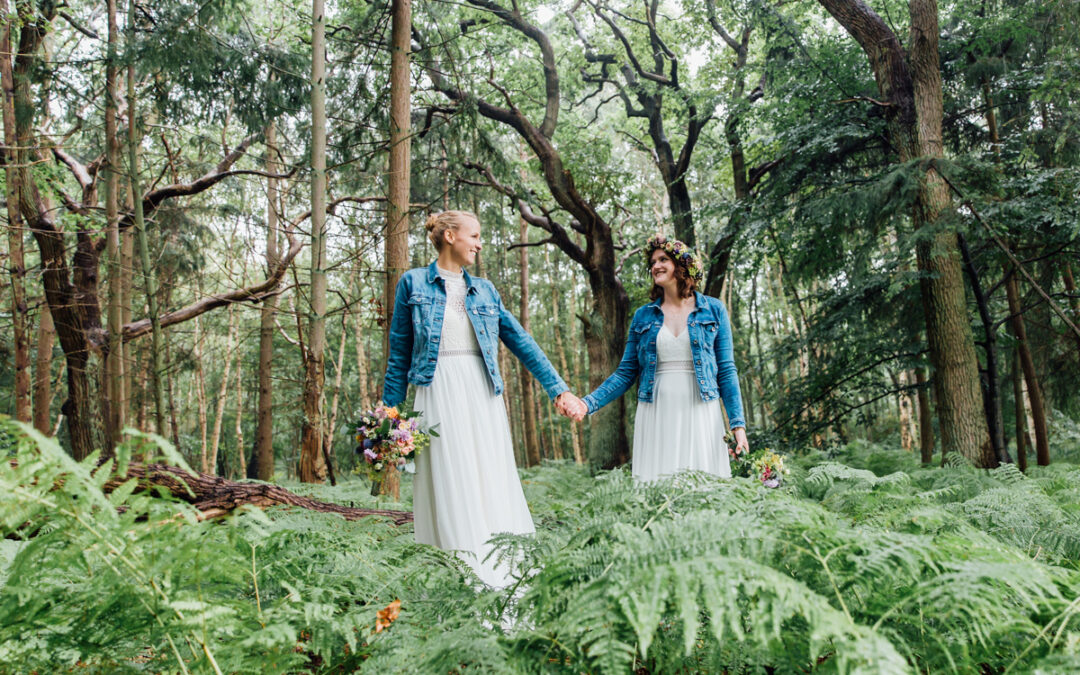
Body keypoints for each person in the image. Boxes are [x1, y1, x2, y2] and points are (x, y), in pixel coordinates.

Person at [382, 210, 586, 587]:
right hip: (437, 393)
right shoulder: (412, 284)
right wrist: (388, 423)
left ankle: (503, 576)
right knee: (448, 481)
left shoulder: (486, 291)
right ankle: (459, 580)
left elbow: (521, 341)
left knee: (489, 479)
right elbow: (398, 357)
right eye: (473, 236)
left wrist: (559, 388)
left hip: (481, 395)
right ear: (448, 236)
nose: (478, 243)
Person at [574, 234, 749, 481]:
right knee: (659, 485)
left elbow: (727, 370)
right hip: (656, 410)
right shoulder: (643, 316)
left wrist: (737, 425)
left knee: (705, 486)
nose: (655, 266)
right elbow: (625, 372)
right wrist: (588, 403)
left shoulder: (714, 309)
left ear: (682, 265)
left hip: (701, 409)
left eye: (663, 259)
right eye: (653, 262)